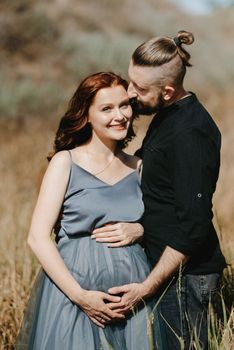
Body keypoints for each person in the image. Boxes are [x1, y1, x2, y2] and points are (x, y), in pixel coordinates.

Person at [91, 31, 226, 349]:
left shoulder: (190, 133)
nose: (129, 93)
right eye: (129, 81)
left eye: (138, 88)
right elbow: (161, 190)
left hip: (187, 278)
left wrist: (147, 287)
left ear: (167, 91)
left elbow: (193, 225)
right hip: (169, 269)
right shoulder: (167, 115)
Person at [15, 72, 163, 350]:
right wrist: (80, 296)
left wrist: (141, 228)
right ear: (87, 115)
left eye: (124, 105)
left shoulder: (138, 166)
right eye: (106, 108)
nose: (119, 115)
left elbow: (162, 223)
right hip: (75, 295)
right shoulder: (66, 162)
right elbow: (37, 237)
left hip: (130, 301)